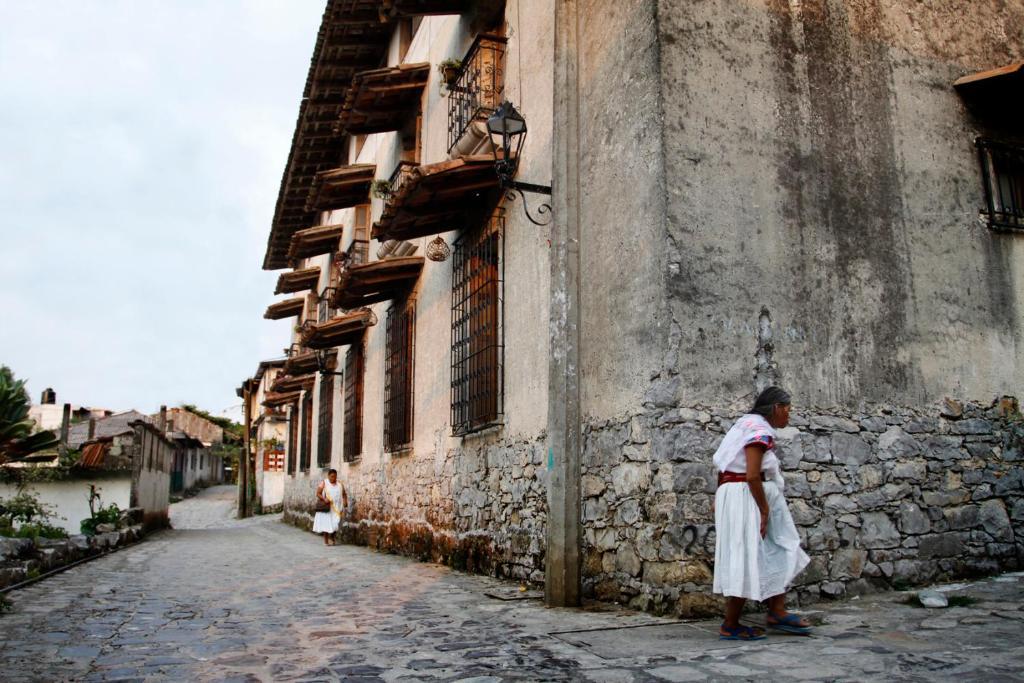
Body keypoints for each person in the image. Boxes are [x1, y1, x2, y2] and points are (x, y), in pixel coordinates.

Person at [712, 386, 811, 640]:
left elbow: (723, 464)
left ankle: (776, 610)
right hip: (748, 495)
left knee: (776, 547)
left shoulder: (742, 425)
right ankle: (730, 624)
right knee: (749, 553)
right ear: (776, 408)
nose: (789, 416)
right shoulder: (759, 431)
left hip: (736, 492)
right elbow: (753, 474)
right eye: (787, 410)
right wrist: (764, 510)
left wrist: (719, 494)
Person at [313, 469, 347, 546]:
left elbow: (344, 494)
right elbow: (318, 493)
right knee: (326, 524)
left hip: (337, 507)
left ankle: (332, 537)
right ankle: (326, 540)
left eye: (335, 477)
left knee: (336, 523)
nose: (333, 478)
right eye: (331, 477)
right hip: (327, 507)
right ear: (328, 476)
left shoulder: (340, 484)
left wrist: (345, 501)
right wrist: (324, 499)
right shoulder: (324, 483)